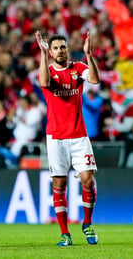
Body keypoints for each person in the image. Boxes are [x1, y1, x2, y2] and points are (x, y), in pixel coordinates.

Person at [35, 30, 100, 246]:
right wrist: (43, 55)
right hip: (56, 138)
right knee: (59, 184)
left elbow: (94, 79)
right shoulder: (47, 69)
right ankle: (65, 233)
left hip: (79, 136)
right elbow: (44, 83)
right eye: (55, 48)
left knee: (88, 179)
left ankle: (87, 223)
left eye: (62, 47)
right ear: (50, 52)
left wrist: (89, 55)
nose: (60, 50)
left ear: (67, 49)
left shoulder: (77, 67)